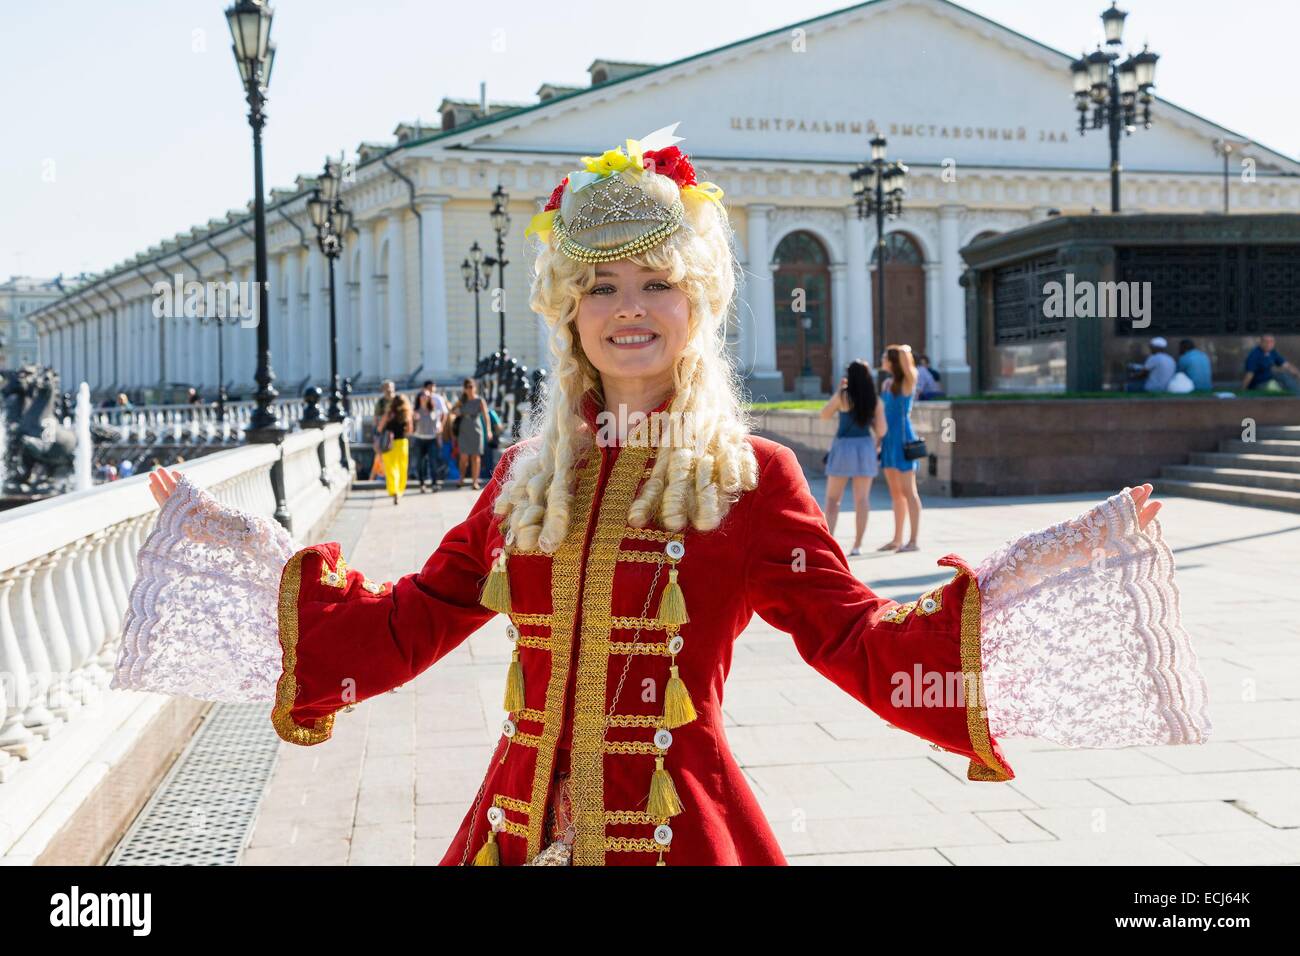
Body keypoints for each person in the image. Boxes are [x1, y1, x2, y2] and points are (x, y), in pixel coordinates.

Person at [116, 123, 1211, 867]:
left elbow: (857, 638)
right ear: (567, 310)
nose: (625, 309)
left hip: (679, 829)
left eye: (654, 284)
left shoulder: (751, 479)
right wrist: (243, 563)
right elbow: (411, 621)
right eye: (599, 286)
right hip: (516, 821)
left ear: (697, 306)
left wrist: (1035, 583)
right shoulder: (524, 474)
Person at [819, 360, 886, 556]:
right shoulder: (875, 400)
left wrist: (840, 390)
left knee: (832, 499)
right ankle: (857, 545)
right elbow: (882, 430)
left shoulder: (843, 396)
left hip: (843, 448)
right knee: (862, 499)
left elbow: (824, 414)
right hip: (865, 447)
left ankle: (829, 542)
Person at [878, 344, 923, 552]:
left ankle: (913, 541)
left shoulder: (907, 381)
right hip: (888, 441)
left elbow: (909, 367)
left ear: (894, 361)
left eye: (886, 357)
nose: (882, 360)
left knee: (909, 491)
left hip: (904, 441)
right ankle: (897, 539)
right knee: (896, 493)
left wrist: (902, 349)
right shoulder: (887, 384)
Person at [454, 378, 493, 491]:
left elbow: (486, 416)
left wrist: (489, 430)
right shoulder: (462, 400)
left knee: (476, 457)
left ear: (475, 387)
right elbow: (452, 410)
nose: (470, 389)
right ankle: (461, 479)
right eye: (468, 387)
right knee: (463, 457)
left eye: (472, 387)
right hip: (464, 429)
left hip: (476, 429)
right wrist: (457, 412)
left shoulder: (480, 400)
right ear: (465, 389)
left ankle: (475, 482)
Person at [377, 392, 413, 505]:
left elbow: (379, 428)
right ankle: (400, 490)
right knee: (402, 468)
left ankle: (394, 491)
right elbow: (409, 431)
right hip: (402, 443)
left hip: (389, 443)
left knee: (391, 469)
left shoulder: (388, 414)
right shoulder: (407, 414)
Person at [411, 383, 444, 493]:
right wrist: (414, 420)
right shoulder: (415, 411)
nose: (425, 397)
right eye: (423, 395)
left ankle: (434, 483)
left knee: (433, 462)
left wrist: (439, 438)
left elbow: (438, 425)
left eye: (427, 396)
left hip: (432, 439)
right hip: (419, 439)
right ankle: (422, 484)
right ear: (419, 398)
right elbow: (411, 427)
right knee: (420, 463)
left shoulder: (434, 410)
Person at [369, 380, 396, 480]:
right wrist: (376, 436)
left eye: (390, 387)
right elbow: (375, 419)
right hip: (384, 433)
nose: (388, 390)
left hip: (396, 433)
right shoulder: (380, 403)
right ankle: (380, 478)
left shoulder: (397, 400)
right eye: (386, 387)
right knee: (381, 457)